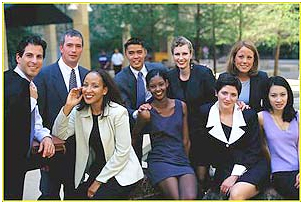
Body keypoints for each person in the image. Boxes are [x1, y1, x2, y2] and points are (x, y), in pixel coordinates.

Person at [52, 69, 144, 199]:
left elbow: (122, 153)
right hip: (97, 170)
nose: (88, 90)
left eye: (95, 86)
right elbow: (59, 135)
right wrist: (68, 106)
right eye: (85, 84)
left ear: (104, 90)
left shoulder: (118, 113)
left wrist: (97, 182)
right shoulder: (79, 112)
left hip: (120, 172)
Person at [194, 73, 269, 200]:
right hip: (225, 169)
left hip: (252, 165)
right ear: (216, 93)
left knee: (236, 194)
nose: (228, 98)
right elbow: (201, 148)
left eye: (233, 95)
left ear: (238, 97)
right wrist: (202, 179)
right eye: (224, 93)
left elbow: (254, 150)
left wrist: (234, 176)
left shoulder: (248, 115)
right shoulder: (204, 113)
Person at [34, 29, 89, 199]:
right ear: (61, 48)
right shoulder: (43, 75)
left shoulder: (87, 76)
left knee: (76, 196)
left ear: (82, 49)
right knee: (49, 195)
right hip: (52, 150)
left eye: (78, 46)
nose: (74, 50)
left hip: (79, 151)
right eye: (69, 45)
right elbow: (38, 115)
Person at [4, 35, 55, 200]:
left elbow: (35, 123)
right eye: (29, 55)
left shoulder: (28, 85)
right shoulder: (8, 83)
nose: (35, 61)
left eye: (39, 56)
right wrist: (31, 100)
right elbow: (11, 123)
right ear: (18, 58)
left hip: (17, 164)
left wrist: (45, 137)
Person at [133, 69, 197, 199]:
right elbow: (135, 136)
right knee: (175, 198)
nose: (158, 89)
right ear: (148, 88)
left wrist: (185, 160)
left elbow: (186, 140)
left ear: (167, 83)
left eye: (161, 84)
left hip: (181, 160)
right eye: (153, 86)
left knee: (190, 198)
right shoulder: (146, 112)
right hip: (160, 160)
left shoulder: (181, 106)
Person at [167, 36, 216, 195]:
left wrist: (201, 112)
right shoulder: (170, 76)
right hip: (179, 130)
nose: (181, 58)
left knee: (201, 176)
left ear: (190, 54)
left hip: (202, 130)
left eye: (184, 54)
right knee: (186, 173)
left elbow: (214, 100)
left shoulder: (204, 73)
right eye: (177, 54)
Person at [114, 37, 168, 163]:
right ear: (126, 54)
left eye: (139, 52)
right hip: (133, 120)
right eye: (131, 53)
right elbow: (122, 106)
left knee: (161, 151)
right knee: (133, 156)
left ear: (145, 52)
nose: (135, 57)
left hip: (158, 116)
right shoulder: (119, 79)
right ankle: (136, 174)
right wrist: (137, 113)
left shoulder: (159, 69)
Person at [258, 76, 299, 200]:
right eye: (274, 95)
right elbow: (262, 146)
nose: (279, 99)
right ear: (267, 97)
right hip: (280, 172)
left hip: (298, 168)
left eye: (283, 94)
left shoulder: (298, 116)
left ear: (289, 95)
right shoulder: (261, 117)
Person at [225, 40, 268, 113]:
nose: (245, 61)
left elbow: (267, 106)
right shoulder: (224, 78)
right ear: (234, 58)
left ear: (254, 60)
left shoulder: (262, 78)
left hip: (253, 121)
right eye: (241, 57)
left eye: (249, 57)